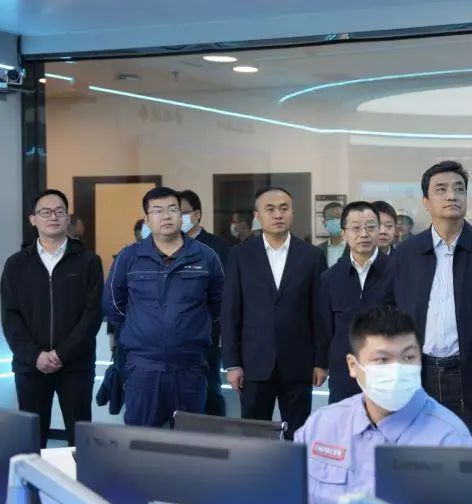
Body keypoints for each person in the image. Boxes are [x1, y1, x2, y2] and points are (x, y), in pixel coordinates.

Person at [295, 305, 472, 504]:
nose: (397, 370)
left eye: (408, 357)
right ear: (353, 365)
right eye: (382, 360)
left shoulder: (450, 439)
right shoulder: (320, 426)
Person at [392, 161, 472, 445]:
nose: (452, 195)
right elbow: (394, 314)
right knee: (424, 457)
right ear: (426, 202)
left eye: (459, 189)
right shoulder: (406, 254)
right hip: (421, 374)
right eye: (441, 189)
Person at [103, 186, 224, 427]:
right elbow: (113, 304)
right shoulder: (129, 257)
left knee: (189, 440)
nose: (166, 216)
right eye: (157, 211)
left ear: (181, 215)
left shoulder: (205, 256)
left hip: (190, 367)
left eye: (172, 210)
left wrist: (193, 331)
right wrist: (142, 328)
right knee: (141, 440)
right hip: (143, 368)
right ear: (147, 219)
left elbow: (219, 305)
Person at [221, 187, 326, 438]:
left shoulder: (312, 255)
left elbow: (320, 312)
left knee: (299, 435)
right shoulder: (240, 255)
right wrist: (232, 364)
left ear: (293, 212)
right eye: (270, 209)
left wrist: (321, 362)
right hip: (254, 363)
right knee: (254, 436)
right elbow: (230, 311)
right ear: (258, 215)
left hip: (299, 362)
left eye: (284, 208)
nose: (278, 214)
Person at [1, 189, 103, 447]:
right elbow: (10, 317)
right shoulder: (16, 265)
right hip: (30, 366)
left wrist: (61, 354)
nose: (53, 217)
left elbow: (92, 315)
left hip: (76, 365)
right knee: (31, 441)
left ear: (67, 218)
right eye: (45, 212)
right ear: (33, 219)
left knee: (80, 440)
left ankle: (79, 476)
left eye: (59, 211)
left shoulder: (88, 261)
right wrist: (34, 356)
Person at [317, 202, 394, 403]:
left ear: (378, 230)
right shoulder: (330, 277)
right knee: (343, 421)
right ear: (344, 233)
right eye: (356, 228)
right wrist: (321, 364)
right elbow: (324, 327)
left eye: (370, 227)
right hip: (344, 371)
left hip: (386, 372)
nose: (364, 234)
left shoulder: (398, 271)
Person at [180, 190, 232, 417]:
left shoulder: (217, 247)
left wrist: (223, 331)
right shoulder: (168, 246)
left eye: (183, 212)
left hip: (208, 334)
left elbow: (228, 293)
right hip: (175, 335)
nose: (178, 218)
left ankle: (213, 436)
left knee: (210, 390)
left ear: (197, 215)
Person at [317, 202, 346, 268]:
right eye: (330, 217)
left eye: (338, 216)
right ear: (324, 223)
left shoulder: (355, 248)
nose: (334, 220)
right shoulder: (318, 250)